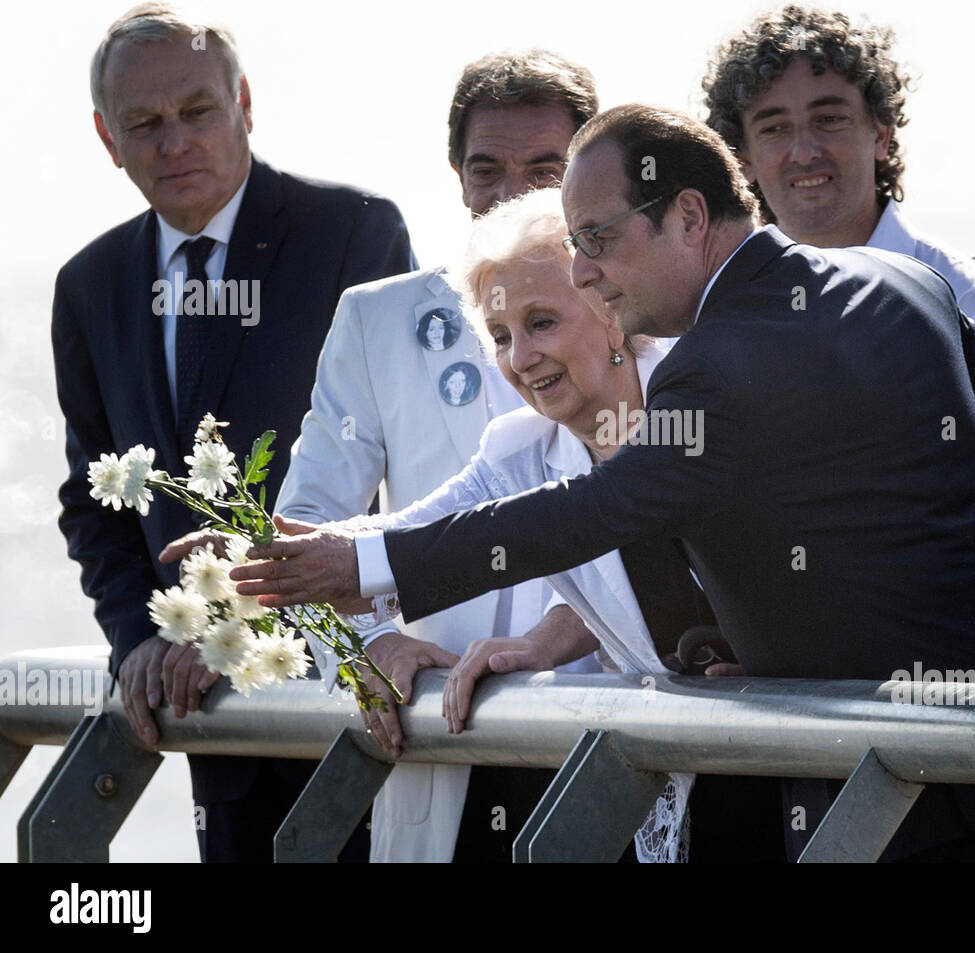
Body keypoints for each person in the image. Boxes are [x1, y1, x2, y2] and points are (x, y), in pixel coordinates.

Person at [231, 104, 975, 863]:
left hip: (917, 792)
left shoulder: (713, 365)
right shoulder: (902, 277)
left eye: (599, 240)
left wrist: (364, 568)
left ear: (689, 216)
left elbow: (597, 510)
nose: (583, 273)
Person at [315, 188, 782, 863]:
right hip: (660, 773)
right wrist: (261, 552)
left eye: (541, 322)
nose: (520, 357)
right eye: (501, 336)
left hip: (785, 756)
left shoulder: (702, 396)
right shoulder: (518, 447)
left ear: (613, 312)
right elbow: (403, 543)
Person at [53, 3, 415, 862]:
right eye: (144, 123)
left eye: (197, 111)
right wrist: (140, 636)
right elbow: (92, 500)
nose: (174, 140)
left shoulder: (354, 234)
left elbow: (389, 468)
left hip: (357, 704)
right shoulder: (90, 285)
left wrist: (241, 620)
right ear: (108, 139)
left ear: (243, 101)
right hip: (209, 728)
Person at [262, 51, 604, 864]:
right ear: (455, 174)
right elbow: (308, 523)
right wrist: (365, 651)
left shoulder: (641, 305)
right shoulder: (376, 321)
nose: (512, 195)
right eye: (487, 169)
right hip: (438, 740)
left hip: (604, 727)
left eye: (545, 170)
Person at [700, 5, 975, 519]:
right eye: (774, 128)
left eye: (829, 119)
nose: (804, 150)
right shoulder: (712, 323)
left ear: (881, 133)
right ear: (742, 159)